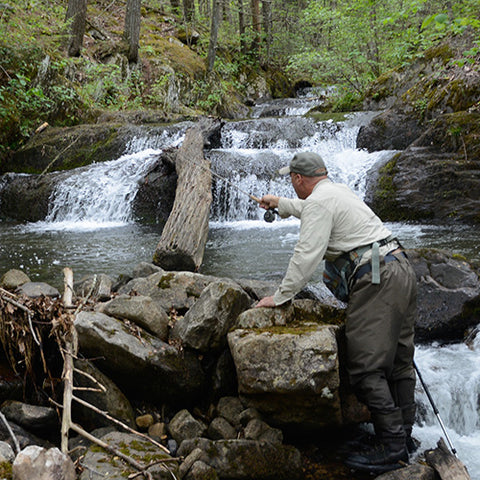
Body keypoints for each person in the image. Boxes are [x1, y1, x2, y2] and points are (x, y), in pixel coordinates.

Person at [256, 152, 417, 474]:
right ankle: (405, 438)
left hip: (376, 277)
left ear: (299, 179)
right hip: (400, 268)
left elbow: (307, 253)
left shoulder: (319, 202)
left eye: (291, 180)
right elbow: (310, 209)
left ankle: (392, 447)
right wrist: (281, 204)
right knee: (399, 362)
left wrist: (281, 296)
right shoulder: (337, 191)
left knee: (366, 367)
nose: (292, 183)